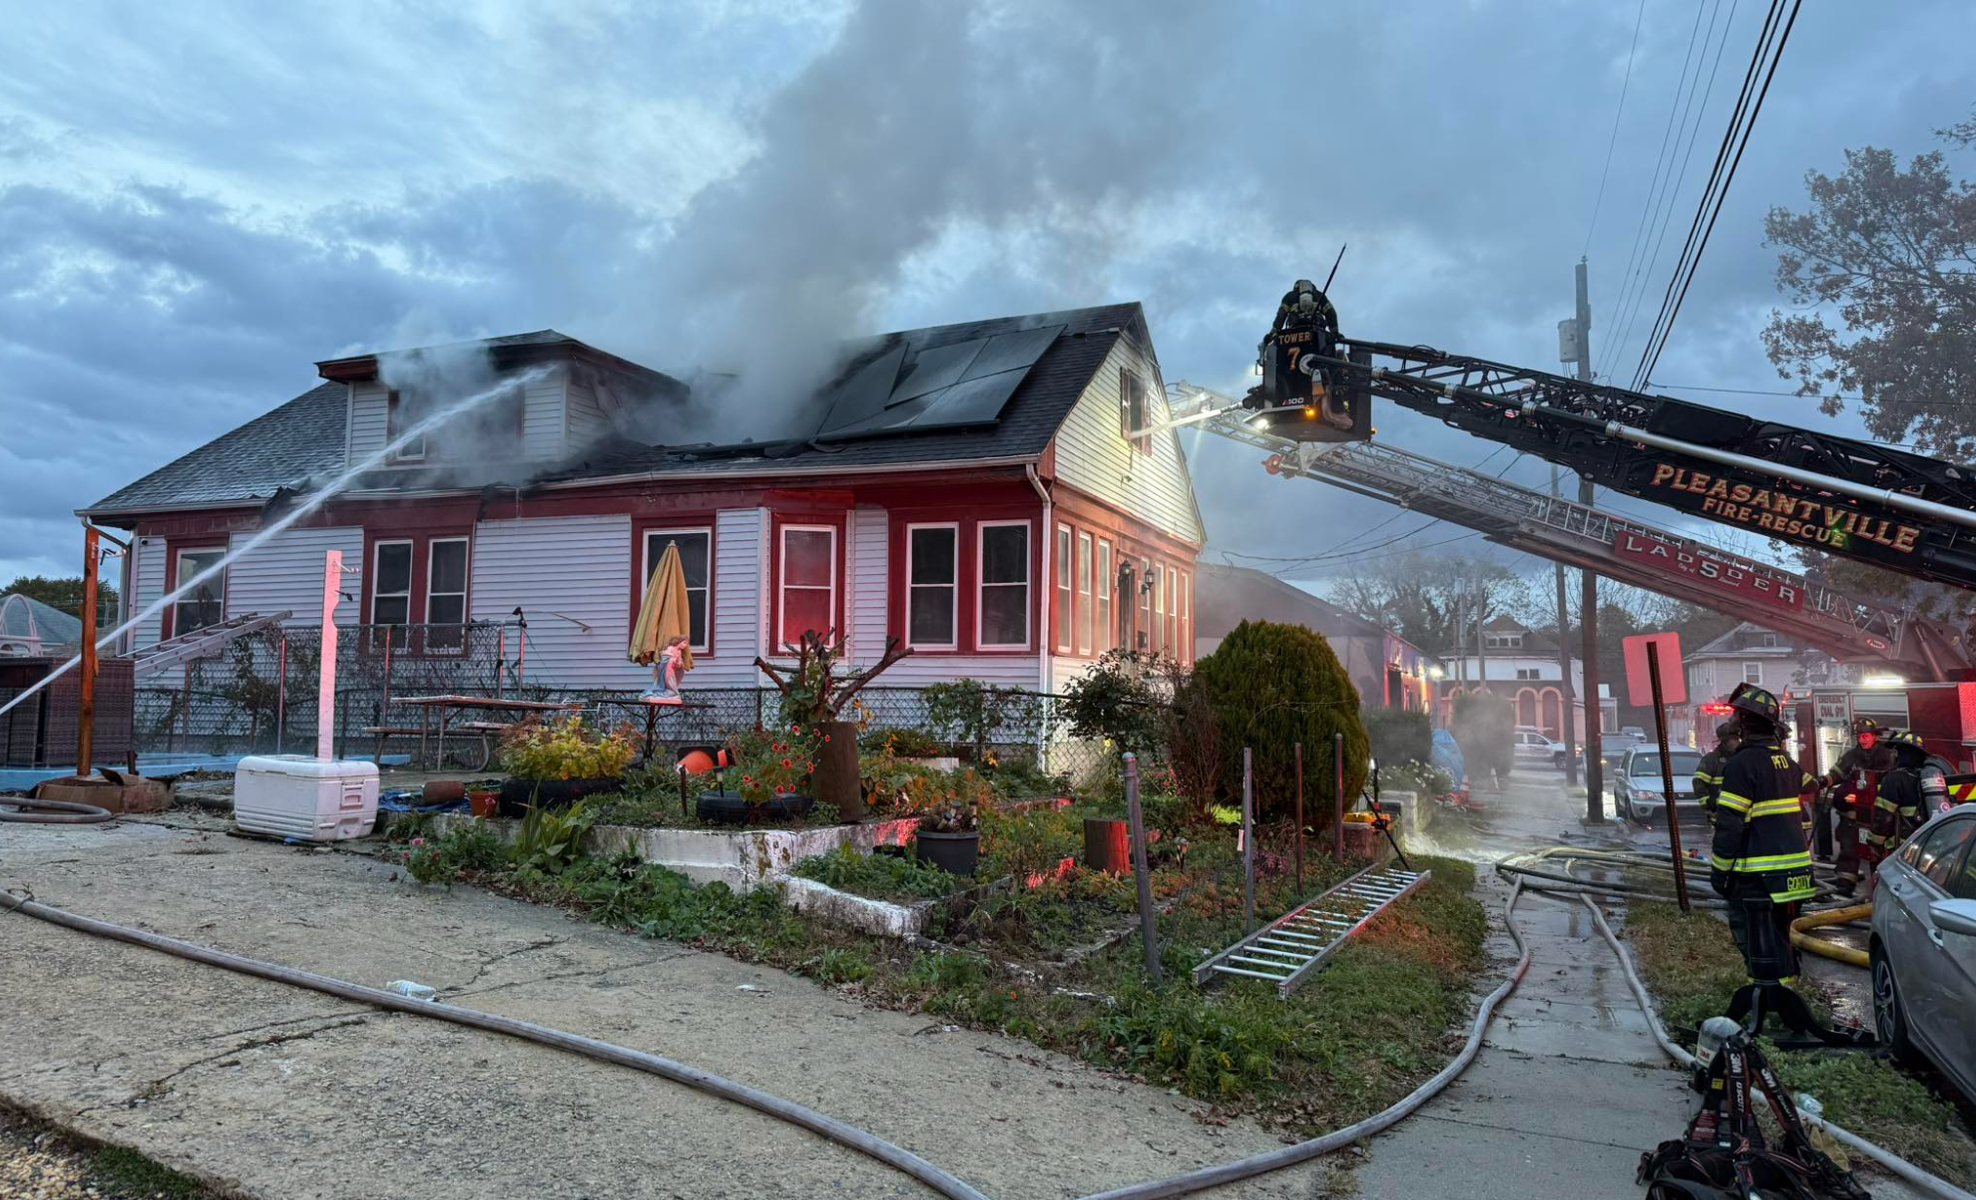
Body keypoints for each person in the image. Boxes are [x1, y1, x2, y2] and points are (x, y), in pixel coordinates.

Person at [1709, 684, 1816, 972]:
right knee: (1783, 938)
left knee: (1756, 942)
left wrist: (1719, 871)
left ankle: (1769, 1000)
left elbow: (1729, 827)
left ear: (1743, 722)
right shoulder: (1787, 763)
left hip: (1758, 876)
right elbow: (1812, 784)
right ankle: (1787, 995)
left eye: (1736, 716)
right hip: (1796, 873)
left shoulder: (1741, 765)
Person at [1868, 731, 1934, 861]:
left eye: (1894, 751)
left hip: (1903, 847)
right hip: (1928, 843)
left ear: (1899, 754)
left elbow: (1883, 816)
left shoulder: (1894, 779)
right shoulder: (1926, 777)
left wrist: (1875, 843)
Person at [1693, 721, 1740, 824]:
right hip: (1720, 818)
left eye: (1736, 739)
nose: (1735, 743)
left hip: (1742, 818)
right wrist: (1709, 804)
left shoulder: (1744, 757)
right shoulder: (1712, 759)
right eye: (1732, 739)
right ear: (1724, 742)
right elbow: (1698, 783)